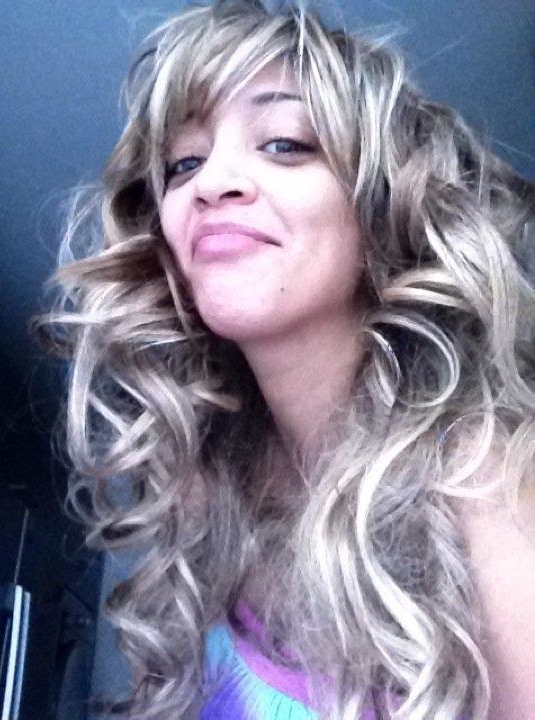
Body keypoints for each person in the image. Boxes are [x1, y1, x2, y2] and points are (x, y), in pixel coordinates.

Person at [33, 0, 535, 718]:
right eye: (184, 163)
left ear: (382, 208)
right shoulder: (203, 480)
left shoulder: (488, 478)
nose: (211, 183)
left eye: (285, 144)